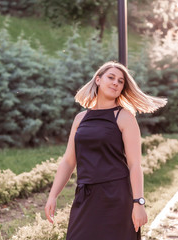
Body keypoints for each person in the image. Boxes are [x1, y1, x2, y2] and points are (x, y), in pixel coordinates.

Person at [44, 61, 167, 240]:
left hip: (116, 197)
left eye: (120, 81)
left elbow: (135, 165)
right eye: (111, 77)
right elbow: (69, 161)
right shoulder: (80, 118)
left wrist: (138, 202)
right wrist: (53, 196)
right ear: (98, 80)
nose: (116, 83)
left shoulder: (124, 117)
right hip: (85, 196)